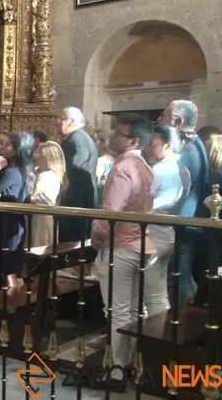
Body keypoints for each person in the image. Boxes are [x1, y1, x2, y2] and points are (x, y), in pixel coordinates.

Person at [91, 113, 157, 370]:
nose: (112, 136)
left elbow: (111, 212)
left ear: (133, 141)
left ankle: (117, 369)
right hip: (141, 244)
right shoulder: (145, 167)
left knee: (118, 311)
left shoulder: (122, 168)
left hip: (120, 246)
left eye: (118, 133)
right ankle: (132, 362)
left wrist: (97, 230)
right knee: (134, 309)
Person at [159, 100, 209, 306]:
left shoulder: (186, 150)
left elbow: (174, 187)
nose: (160, 120)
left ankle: (184, 325)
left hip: (183, 224)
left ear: (177, 122)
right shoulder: (195, 143)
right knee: (183, 275)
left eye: (164, 116)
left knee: (178, 277)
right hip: (191, 222)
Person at [0, 132, 33, 295]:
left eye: (9, 144)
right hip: (12, 225)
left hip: (6, 226)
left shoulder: (12, 171)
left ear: (19, 150)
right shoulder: (18, 169)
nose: (4, 146)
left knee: (3, 271)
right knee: (8, 269)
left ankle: (5, 310)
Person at [148, 124, 190, 310]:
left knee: (151, 294)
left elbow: (146, 204)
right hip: (169, 233)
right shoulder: (183, 170)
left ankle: (155, 334)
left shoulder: (159, 170)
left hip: (153, 234)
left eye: (154, 143)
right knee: (158, 290)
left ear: (169, 145)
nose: (149, 147)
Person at [56, 107, 98, 243]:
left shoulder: (75, 140)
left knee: (71, 244)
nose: (57, 121)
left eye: (61, 118)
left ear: (71, 122)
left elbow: (74, 171)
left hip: (76, 202)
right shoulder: (80, 138)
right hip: (80, 200)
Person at [30, 141, 66, 247]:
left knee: (39, 246)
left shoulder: (49, 176)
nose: (35, 156)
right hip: (36, 217)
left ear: (48, 158)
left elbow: (42, 199)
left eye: (39, 154)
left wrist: (26, 198)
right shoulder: (39, 173)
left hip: (42, 219)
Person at [93, 129, 115, 201]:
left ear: (103, 143)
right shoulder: (114, 159)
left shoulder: (100, 161)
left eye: (94, 140)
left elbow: (93, 183)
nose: (92, 143)